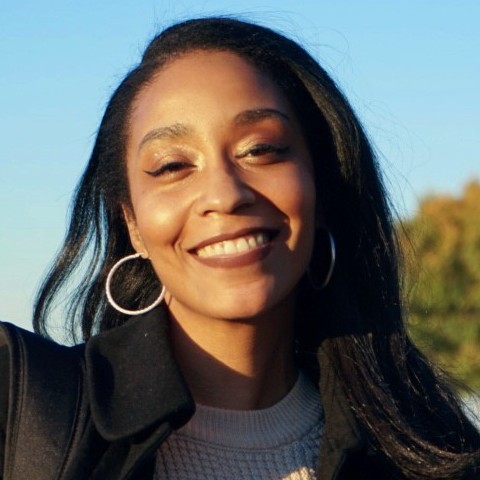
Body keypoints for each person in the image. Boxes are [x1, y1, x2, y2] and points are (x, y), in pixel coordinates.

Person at [1, 17, 479, 480]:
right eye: (171, 166)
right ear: (133, 224)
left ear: (321, 187)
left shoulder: (435, 452)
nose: (225, 193)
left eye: (261, 149)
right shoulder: (26, 409)